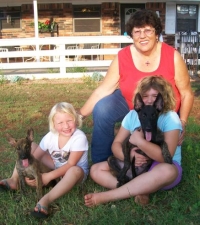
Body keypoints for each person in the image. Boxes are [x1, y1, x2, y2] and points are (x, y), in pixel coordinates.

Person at [78, 9, 194, 164]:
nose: (142, 36)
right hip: (133, 104)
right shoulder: (122, 56)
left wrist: (183, 122)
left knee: (161, 154)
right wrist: (79, 116)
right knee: (103, 108)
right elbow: (103, 90)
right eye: (137, 31)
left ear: (156, 32)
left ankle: (156, 157)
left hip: (163, 109)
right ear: (131, 35)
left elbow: (186, 93)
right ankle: (102, 160)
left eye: (148, 30)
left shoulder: (172, 56)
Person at [84, 75, 183, 207]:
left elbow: (167, 157)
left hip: (159, 166)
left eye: (154, 96)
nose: (149, 100)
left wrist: (140, 141)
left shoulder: (170, 117)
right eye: (145, 96)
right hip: (135, 165)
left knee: (168, 171)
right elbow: (116, 144)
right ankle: (140, 189)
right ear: (139, 99)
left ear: (161, 99)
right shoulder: (132, 115)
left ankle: (109, 196)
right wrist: (129, 156)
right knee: (96, 169)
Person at [0, 102, 89, 218]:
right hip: (56, 165)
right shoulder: (50, 136)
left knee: (74, 170)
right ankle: (14, 179)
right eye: (60, 122)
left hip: (75, 173)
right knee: (31, 148)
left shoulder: (79, 137)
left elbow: (71, 164)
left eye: (69, 120)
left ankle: (46, 199)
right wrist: (29, 175)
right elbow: (35, 156)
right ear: (53, 124)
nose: (66, 126)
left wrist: (48, 177)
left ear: (76, 120)